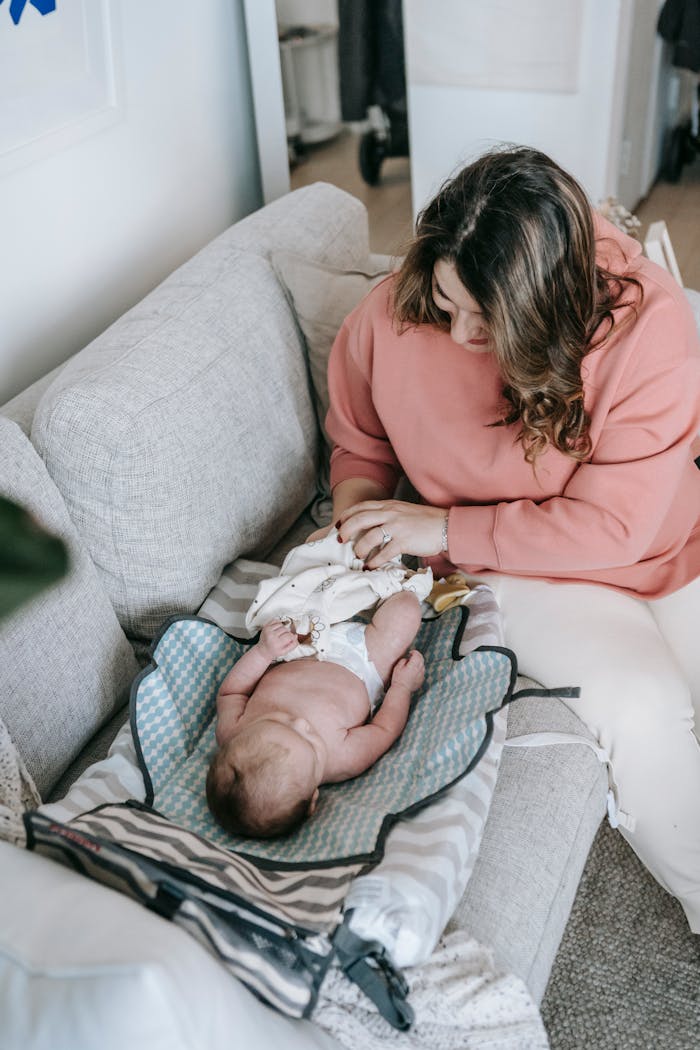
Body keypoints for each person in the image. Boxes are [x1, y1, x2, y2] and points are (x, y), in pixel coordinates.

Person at [323, 145, 700, 931]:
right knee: (647, 708)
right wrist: (362, 526)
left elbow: (615, 524)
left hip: (656, 546)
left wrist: (441, 522)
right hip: (512, 570)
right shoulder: (392, 312)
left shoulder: (650, 326)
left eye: (486, 320)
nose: (458, 333)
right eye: (446, 300)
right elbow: (359, 446)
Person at [206, 590, 425, 838]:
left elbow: (231, 693)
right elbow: (385, 729)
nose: (300, 721)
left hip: (299, 647)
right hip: (363, 661)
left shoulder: (231, 732)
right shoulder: (343, 760)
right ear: (313, 799)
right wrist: (402, 687)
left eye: (279, 719)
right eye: (310, 738)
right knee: (406, 609)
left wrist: (264, 652)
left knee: (298, 590)